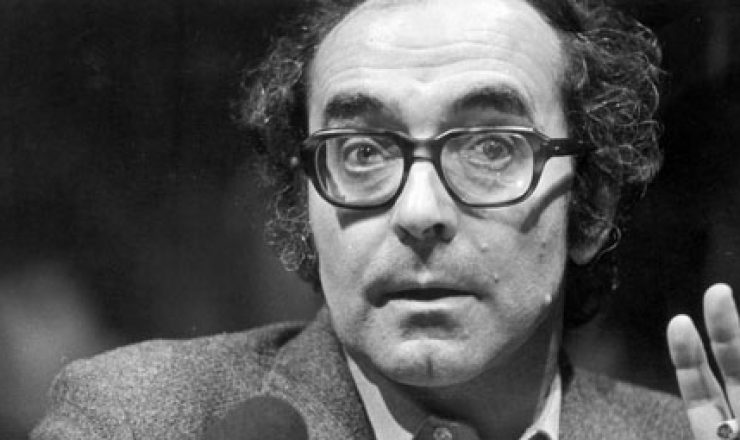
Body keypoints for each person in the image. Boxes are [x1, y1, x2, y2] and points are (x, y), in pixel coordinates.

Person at [29, 0, 735, 438]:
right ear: (305, 203)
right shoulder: (137, 419)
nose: (419, 211)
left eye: (490, 147)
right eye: (362, 152)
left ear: (592, 207)